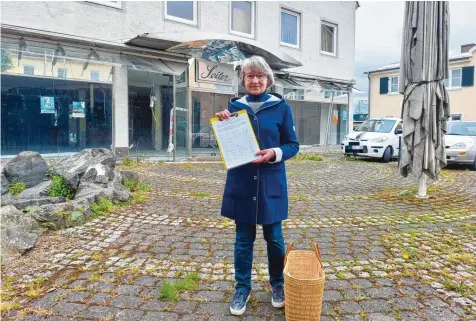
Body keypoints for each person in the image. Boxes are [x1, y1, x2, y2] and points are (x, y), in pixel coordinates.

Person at [215, 55, 299, 316]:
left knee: (274, 239)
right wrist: (222, 126)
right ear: (243, 80)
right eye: (250, 76)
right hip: (242, 183)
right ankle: (242, 288)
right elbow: (226, 146)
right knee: (243, 240)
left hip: (271, 182)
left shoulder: (281, 108)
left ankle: (278, 284)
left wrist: (274, 152)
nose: (255, 80)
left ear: (268, 80)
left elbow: (292, 145)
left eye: (260, 76)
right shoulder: (233, 108)